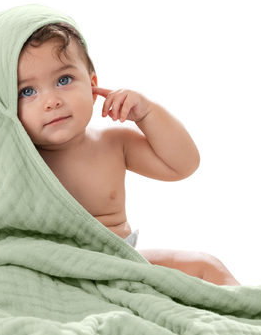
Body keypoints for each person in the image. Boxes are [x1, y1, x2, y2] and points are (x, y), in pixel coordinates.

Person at [17, 22, 240, 286]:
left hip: (123, 265)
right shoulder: (16, 159)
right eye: (27, 91)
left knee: (207, 266)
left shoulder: (114, 143)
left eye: (63, 80)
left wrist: (147, 113)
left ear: (92, 86)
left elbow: (183, 164)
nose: (51, 101)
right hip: (61, 278)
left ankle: (249, 312)